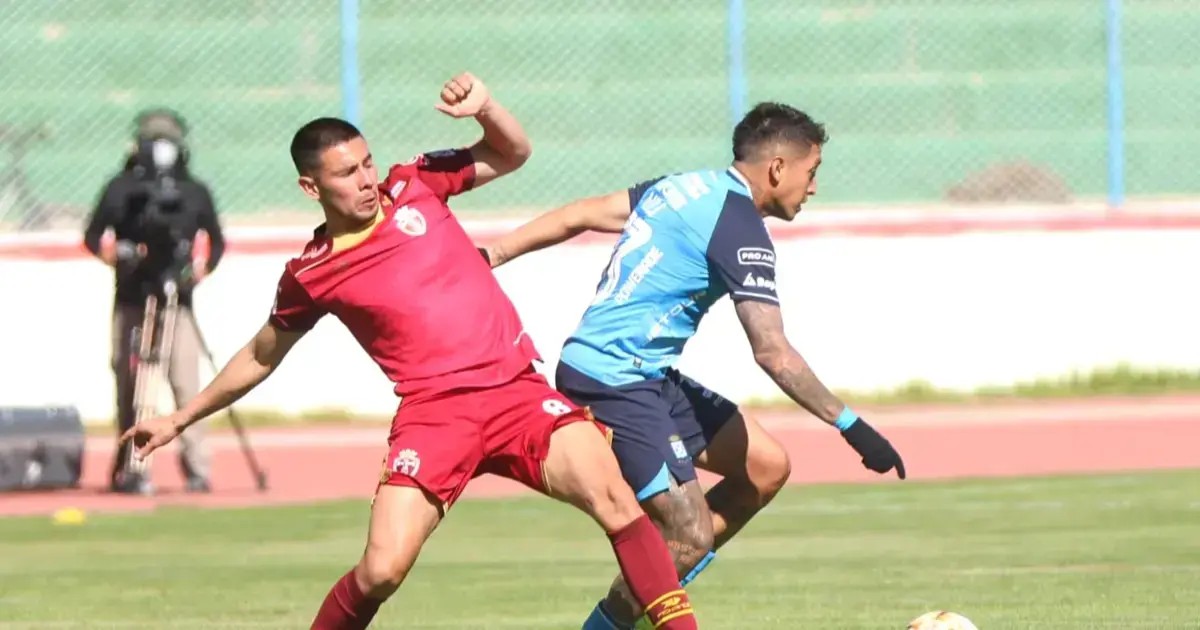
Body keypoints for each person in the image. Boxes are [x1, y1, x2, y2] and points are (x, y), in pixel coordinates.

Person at [120, 73, 700, 630]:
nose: (367, 179)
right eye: (347, 172)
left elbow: (512, 153)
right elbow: (261, 355)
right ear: (311, 187)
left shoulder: (413, 185)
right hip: (435, 415)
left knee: (618, 504)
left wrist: (487, 107)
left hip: (518, 393)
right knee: (381, 570)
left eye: (367, 162)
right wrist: (180, 416)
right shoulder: (311, 273)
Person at [477, 101, 907, 629]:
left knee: (765, 469)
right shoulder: (741, 228)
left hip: (646, 376)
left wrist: (494, 254)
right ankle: (627, 604)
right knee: (689, 535)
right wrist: (853, 426)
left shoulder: (682, 187)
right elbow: (773, 352)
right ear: (778, 168)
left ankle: (652, 579)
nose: (813, 186)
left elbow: (580, 213)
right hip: (612, 382)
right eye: (811, 172)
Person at [83, 108, 226, 495]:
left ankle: (197, 468)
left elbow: (217, 240)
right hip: (133, 300)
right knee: (132, 387)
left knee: (187, 386)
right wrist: (119, 255)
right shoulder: (121, 189)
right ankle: (130, 467)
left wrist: (198, 270)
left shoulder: (194, 191)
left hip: (178, 303)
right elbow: (94, 235)